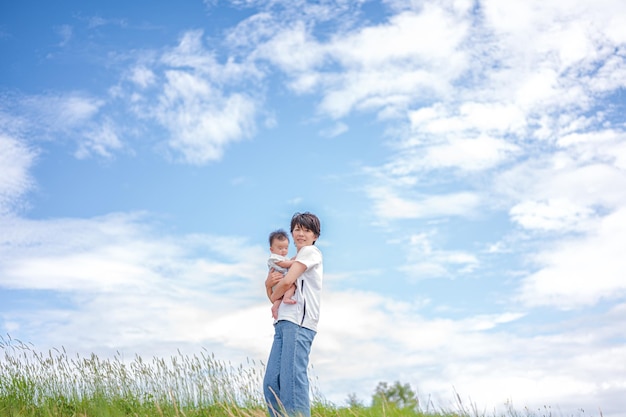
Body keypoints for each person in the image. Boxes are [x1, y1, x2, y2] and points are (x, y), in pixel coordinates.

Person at [263, 212, 323, 417]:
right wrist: (267, 286)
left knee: (291, 385)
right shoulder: (291, 258)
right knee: (272, 384)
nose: (301, 233)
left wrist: (275, 286)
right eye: (297, 229)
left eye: (307, 230)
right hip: (283, 322)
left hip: (299, 324)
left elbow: (287, 282)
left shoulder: (311, 252)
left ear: (315, 236)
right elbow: (274, 300)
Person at [268, 229, 297, 319]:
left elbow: (287, 262)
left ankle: (275, 307)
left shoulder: (283, 257)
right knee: (292, 286)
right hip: (278, 281)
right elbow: (284, 264)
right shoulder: (274, 258)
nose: (284, 251)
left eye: (286, 248)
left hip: (277, 283)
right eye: (280, 248)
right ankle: (286, 298)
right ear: (272, 249)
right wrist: (296, 262)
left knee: (278, 299)